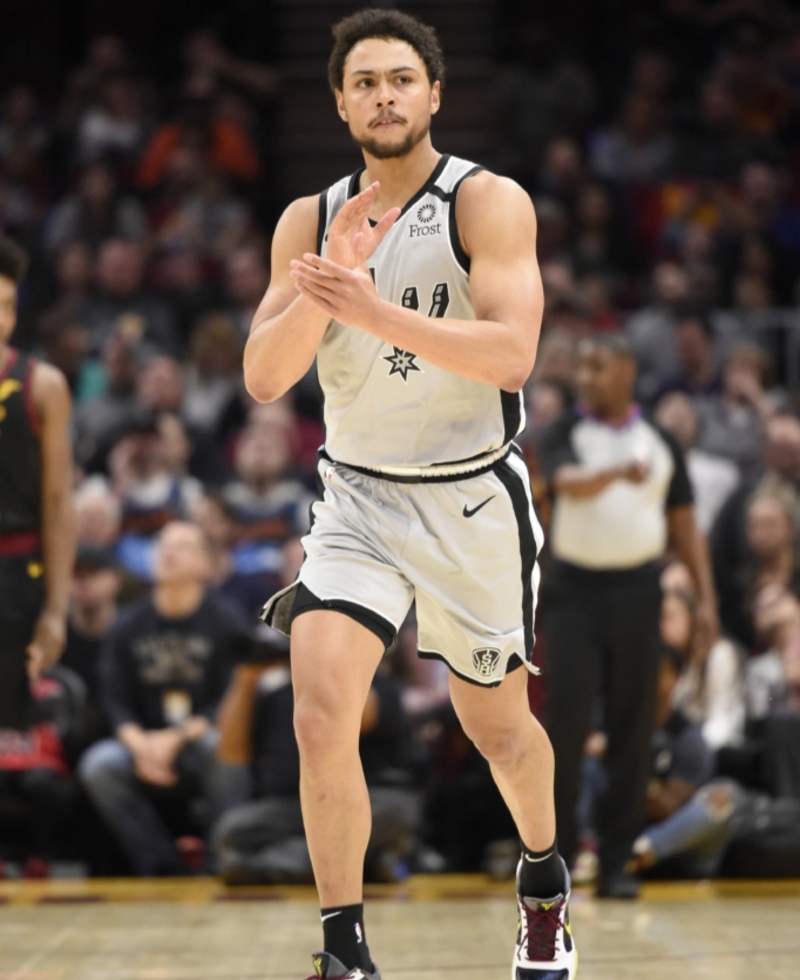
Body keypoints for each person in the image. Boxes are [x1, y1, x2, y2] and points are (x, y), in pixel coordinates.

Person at [243, 9, 575, 980]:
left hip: (469, 498)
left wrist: (372, 307)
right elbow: (265, 377)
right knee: (318, 707)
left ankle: (543, 882)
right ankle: (344, 946)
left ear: (432, 94)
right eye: (365, 81)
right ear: (340, 102)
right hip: (357, 498)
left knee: (499, 730)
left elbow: (513, 352)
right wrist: (323, 285)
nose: (383, 95)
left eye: (400, 78)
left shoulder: (486, 202)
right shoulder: (307, 219)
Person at [538, 332, 718, 898]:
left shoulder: (660, 440)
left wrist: (707, 601)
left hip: (640, 592)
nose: (584, 377)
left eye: (596, 366)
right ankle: (557, 860)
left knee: (632, 731)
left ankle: (616, 864)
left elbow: (685, 526)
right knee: (564, 732)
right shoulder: (564, 431)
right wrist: (617, 474)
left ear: (626, 372)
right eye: (582, 368)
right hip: (572, 594)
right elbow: (565, 483)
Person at [78, 521, 240, 876]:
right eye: (162, 545)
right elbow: (115, 700)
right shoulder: (128, 625)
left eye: (181, 546)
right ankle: (161, 866)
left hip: (199, 739)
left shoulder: (226, 621)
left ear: (205, 565)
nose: (168, 552)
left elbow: (232, 699)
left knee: (222, 747)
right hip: (145, 744)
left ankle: (225, 860)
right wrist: (141, 745)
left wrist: (177, 738)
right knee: (99, 765)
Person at [0, 234, 76, 731]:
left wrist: (55, 609)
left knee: (10, 735)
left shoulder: (42, 384)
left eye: (6, 305)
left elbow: (58, 505)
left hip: (14, 577)